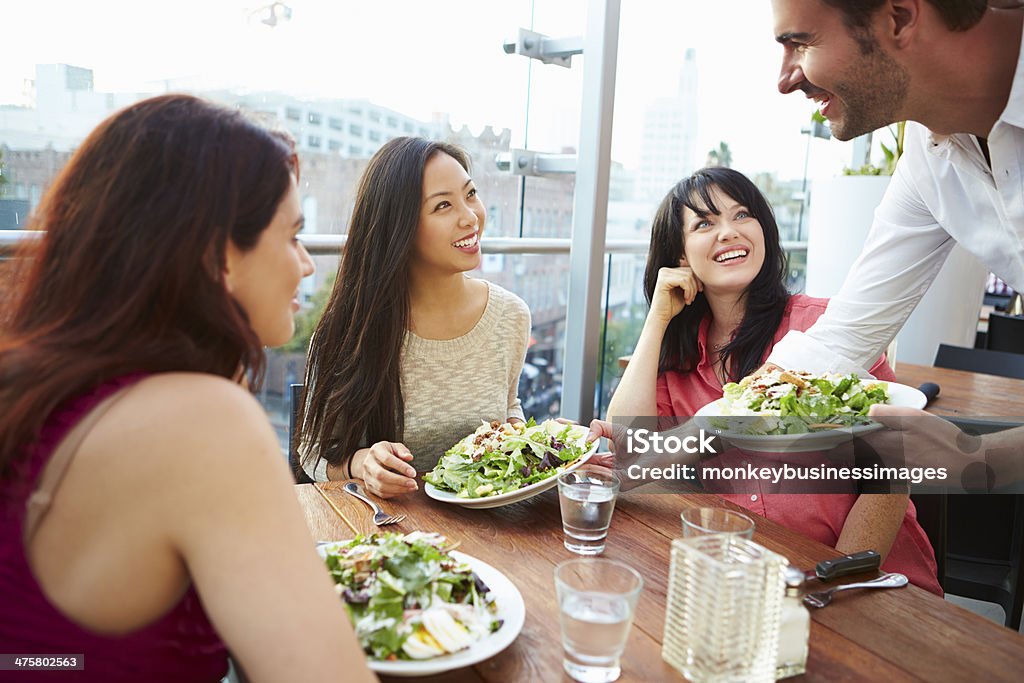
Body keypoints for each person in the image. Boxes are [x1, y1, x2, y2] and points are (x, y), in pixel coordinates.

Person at [0, 95, 376, 682]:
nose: (306, 264)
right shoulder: (204, 421)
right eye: (293, 236)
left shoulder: (35, 380)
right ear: (219, 256)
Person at [606, 167, 941, 593]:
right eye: (705, 223)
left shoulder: (824, 328)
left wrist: (836, 578)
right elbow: (626, 447)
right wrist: (658, 317)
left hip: (862, 573)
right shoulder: (675, 362)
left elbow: (892, 468)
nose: (728, 231)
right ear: (681, 257)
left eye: (742, 214)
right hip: (744, 581)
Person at [764, 0, 1024, 480]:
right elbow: (845, 336)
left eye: (800, 43)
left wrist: (983, 459)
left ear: (900, 18)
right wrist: (679, 441)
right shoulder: (929, 156)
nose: (786, 79)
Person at [297, 137, 531, 498]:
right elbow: (312, 454)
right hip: (390, 533)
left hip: (494, 531)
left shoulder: (511, 316)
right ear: (400, 226)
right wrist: (362, 464)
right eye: (443, 206)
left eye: (471, 194)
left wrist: (526, 438)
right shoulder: (347, 332)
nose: (470, 217)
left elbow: (508, 404)